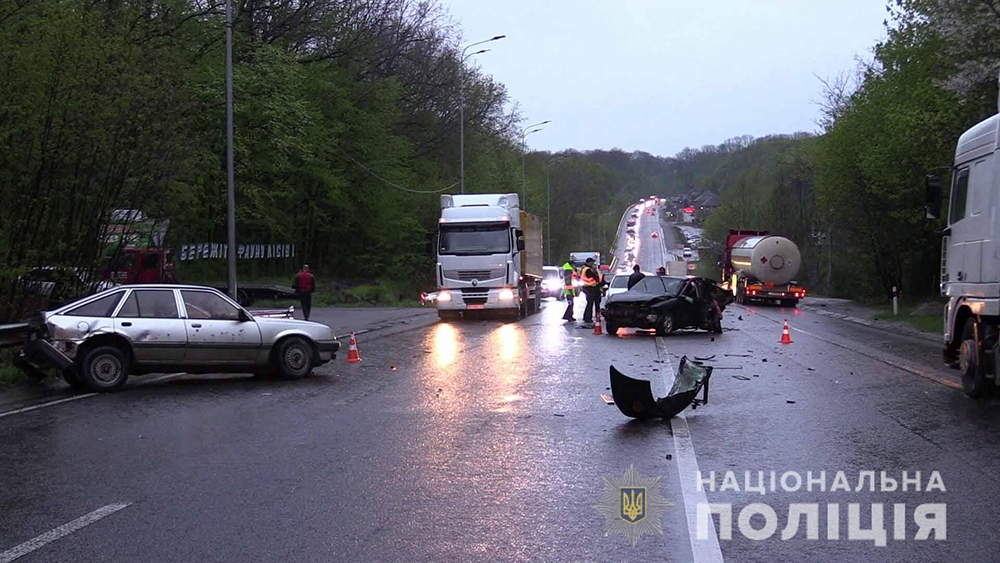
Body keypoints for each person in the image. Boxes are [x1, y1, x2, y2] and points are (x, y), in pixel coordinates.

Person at [579, 257, 602, 325]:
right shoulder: (588, 269)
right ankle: (588, 318)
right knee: (590, 304)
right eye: (592, 262)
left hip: (590, 288)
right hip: (590, 288)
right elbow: (594, 277)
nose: (593, 263)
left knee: (590, 303)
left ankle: (587, 317)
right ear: (589, 262)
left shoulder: (586, 269)